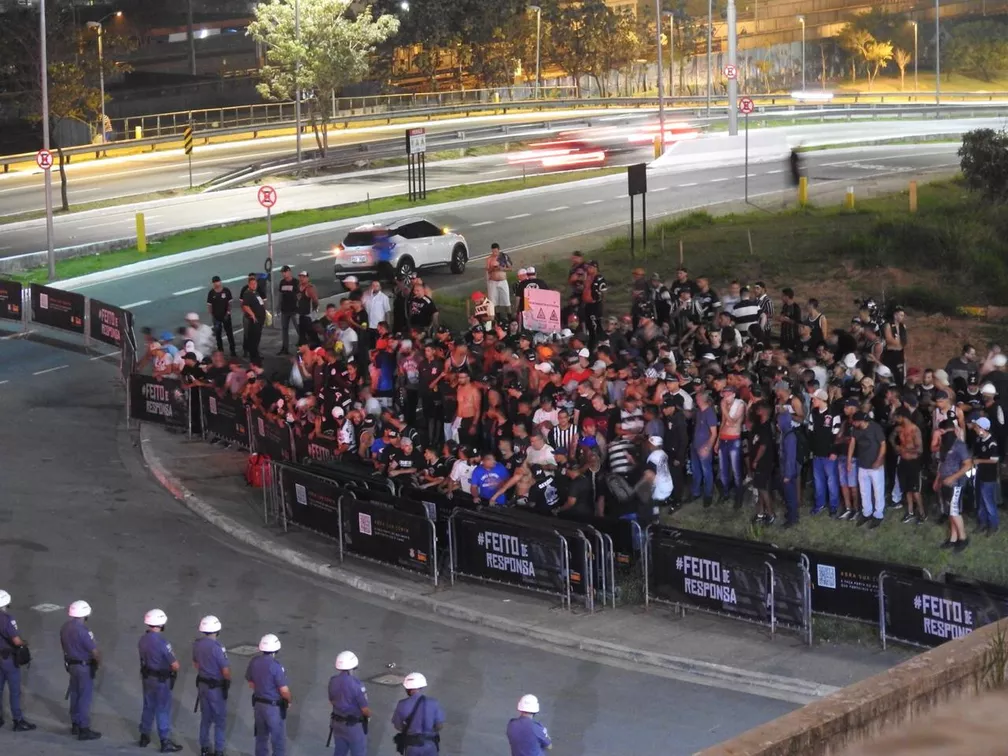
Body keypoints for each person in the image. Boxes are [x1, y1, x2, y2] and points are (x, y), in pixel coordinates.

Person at [137, 608, 183, 751]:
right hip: (161, 680)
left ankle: (144, 736)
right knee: (162, 709)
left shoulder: (142, 639)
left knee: (148, 706)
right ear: (162, 624)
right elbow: (175, 665)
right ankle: (165, 741)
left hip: (147, 677)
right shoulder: (163, 643)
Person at [59, 600, 101, 740]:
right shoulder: (84, 631)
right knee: (84, 697)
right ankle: (84, 728)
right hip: (84, 666)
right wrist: (97, 662)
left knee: (75, 694)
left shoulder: (65, 627)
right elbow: (94, 651)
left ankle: (75, 724)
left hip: (71, 665)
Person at [245, 634, 292, 756]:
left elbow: (251, 683)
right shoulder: (276, 666)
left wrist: (262, 690)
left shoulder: (254, 662)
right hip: (273, 707)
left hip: (259, 705)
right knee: (278, 740)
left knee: (261, 737)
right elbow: (283, 690)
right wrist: (288, 701)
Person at [193, 615, 231, 756]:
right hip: (216, 688)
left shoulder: (197, 644)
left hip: (202, 684)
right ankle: (219, 751)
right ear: (217, 630)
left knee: (206, 718)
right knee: (220, 720)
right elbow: (225, 670)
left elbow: (196, 664)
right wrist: (226, 681)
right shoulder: (218, 647)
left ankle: (204, 749)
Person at [0, 590, 35, 732]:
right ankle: (18, 720)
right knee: (15, 691)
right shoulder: (7, 619)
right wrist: (23, 644)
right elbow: (16, 640)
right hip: (8, 659)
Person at [935, 419, 972, 551]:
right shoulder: (944, 444)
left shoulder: (959, 445)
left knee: (954, 511)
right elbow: (942, 464)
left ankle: (963, 538)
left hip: (955, 483)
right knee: (950, 510)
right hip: (945, 482)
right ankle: (953, 538)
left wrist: (952, 477)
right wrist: (938, 479)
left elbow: (968, 464)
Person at [328, 650, 371, 756]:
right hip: (354, 726)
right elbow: (364, 708)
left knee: (339, 751)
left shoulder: (333, 680)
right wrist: (368, 716)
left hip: (337, 723)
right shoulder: (357, 685)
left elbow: (332, 700)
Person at [848, 411, 887, 528]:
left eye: (854, 422)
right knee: (864, 491)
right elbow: (852, 443)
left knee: (878, 491)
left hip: (875, 465)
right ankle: (867, 512)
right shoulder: (855, 429)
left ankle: (878, 514)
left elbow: (883, 444)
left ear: (860, 421)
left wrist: (879, 460)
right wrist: (848, 460)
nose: (853, 423)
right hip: (862, 464)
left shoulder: (875, 428)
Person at [391, 672, 444, 756]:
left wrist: (410, 730)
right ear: (421, 687)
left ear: (408, 689)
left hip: (412, 746)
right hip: (430, 745)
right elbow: (439, 726)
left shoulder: (402, 704)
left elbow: (398, 726)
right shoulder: (433, 703)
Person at [808, 388, 841, 516]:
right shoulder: (813, 413)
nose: (812, 400)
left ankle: (833, 506)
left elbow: (836, 435)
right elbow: (810, 432)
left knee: (831, 481)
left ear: (821, 399)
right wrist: (812, 449)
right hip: (817, 453)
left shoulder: (834, 413)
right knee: (818, 481)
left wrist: (834, 451)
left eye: (814, 398)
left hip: (829, 454)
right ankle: (819, 503)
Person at [972, 416, 1000, 535]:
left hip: (989, 477)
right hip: (980, 474)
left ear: (982, 428)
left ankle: (993, 525)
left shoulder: (992, 442)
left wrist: (979, 461)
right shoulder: (979, 440)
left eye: (976, 427)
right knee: (981, 501)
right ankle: (982, 523)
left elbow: (994, 460)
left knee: (988, 501)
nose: (975, 428)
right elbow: (978, 454)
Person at [206, 276, 237, 356]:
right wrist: (213, 315)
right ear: (213, 283)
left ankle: (233, 351)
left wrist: (228, 313)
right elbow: (209, 305)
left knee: (229, 334)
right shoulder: (211, 293)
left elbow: (230, 303)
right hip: (216, 318)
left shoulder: (226, 291)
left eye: (218, 281)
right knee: (218, 335)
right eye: (215, 282)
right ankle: (221, 351)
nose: (216, 283)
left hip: (226, 316)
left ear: (220, 282)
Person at [241, 273, 268, 364]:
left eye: (255, 284)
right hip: (254, 321)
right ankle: (255, 360)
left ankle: (256, 358)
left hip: (259, 321)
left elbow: (261, 304)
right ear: (249, 285)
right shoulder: (248, 294)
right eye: (252, 284)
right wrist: (252, 314)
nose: (254, 285)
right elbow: (245, 306)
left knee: (256, 340)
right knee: (253, 341)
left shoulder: (256, 293)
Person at [277, 265, 300, 355]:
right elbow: (280, 295)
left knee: (298, 329)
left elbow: (299, 295)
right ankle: (285, 348)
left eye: (284, 272)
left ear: (289, 272)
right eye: (282, 272)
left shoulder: (295, 282)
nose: (283, 274)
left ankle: (303, 345)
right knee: (284, 329)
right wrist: (278, 307)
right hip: (284, 310)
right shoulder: (282, 282)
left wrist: (299, 307)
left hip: (294, 310)